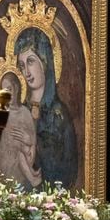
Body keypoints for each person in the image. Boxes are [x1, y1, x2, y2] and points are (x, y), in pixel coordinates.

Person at [15, 27, 79, 188]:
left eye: (30, 62)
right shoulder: (20, 112)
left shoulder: (60, 115)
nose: (26, 72)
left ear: (45, 61)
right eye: (22, 65)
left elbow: (68, 168)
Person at [0, 71, 42, 189]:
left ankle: (31, 173)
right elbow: (1, 142)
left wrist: (28, 141)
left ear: (16, 89)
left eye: (9, 89)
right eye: (4, 91)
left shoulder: (25, 112)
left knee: (23, 151)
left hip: (24, 156)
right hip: (6, 159)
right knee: (20, 153)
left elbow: (32, 140)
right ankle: (32, 178)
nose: (8, 95)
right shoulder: (3, 114)